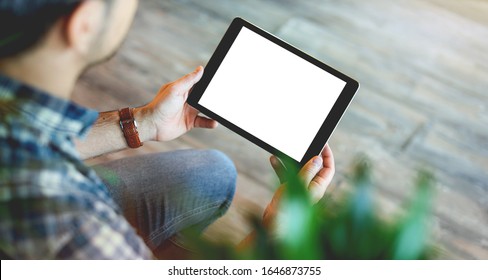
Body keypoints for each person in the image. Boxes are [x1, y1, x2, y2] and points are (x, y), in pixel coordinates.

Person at [0, 0, 335, 259]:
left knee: (210, 171)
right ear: (83, 23)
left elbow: (27, 134)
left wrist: (143, 123)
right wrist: (275, 235)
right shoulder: (70, 226)